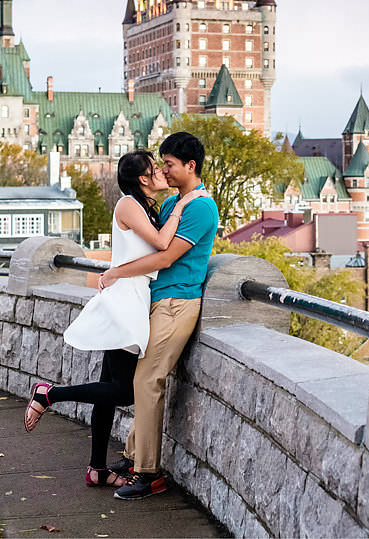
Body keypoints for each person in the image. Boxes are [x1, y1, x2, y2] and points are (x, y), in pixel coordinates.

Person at [22, 150, 204, 488]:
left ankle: (97, 468)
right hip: (126, 299)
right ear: (143, 178)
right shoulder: (128, 205)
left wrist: (173, 205)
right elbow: (164, 245)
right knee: (123, 392)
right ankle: (50, 394)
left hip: (133, 296)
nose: (162, 172)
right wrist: (183, 204)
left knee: (108, 385)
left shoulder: (145, 207)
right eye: (156, 168)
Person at [97, 132, 219, 500]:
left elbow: (166, 258)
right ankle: (135, 456)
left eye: (168, 164)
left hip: (178, 302)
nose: (163, 171)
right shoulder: (173, 204)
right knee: (142, 380)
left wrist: (119, 271)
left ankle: (149, 474)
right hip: (158, 301)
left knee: (148, 381)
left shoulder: (201, 208)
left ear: (190, 166)